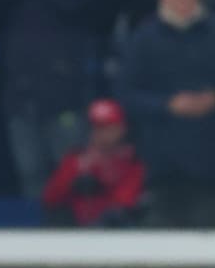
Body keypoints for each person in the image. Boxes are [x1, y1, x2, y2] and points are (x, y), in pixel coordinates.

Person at [41, 97, 144, 226]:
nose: (101, 134)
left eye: (107, 128)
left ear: (121, 129)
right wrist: (78, 171)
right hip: (76, 231)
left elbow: (123, 203)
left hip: (115, 231)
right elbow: (50, 199)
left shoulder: (131, 162)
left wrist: (107, 172)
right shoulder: (76, 159)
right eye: (96, 128)